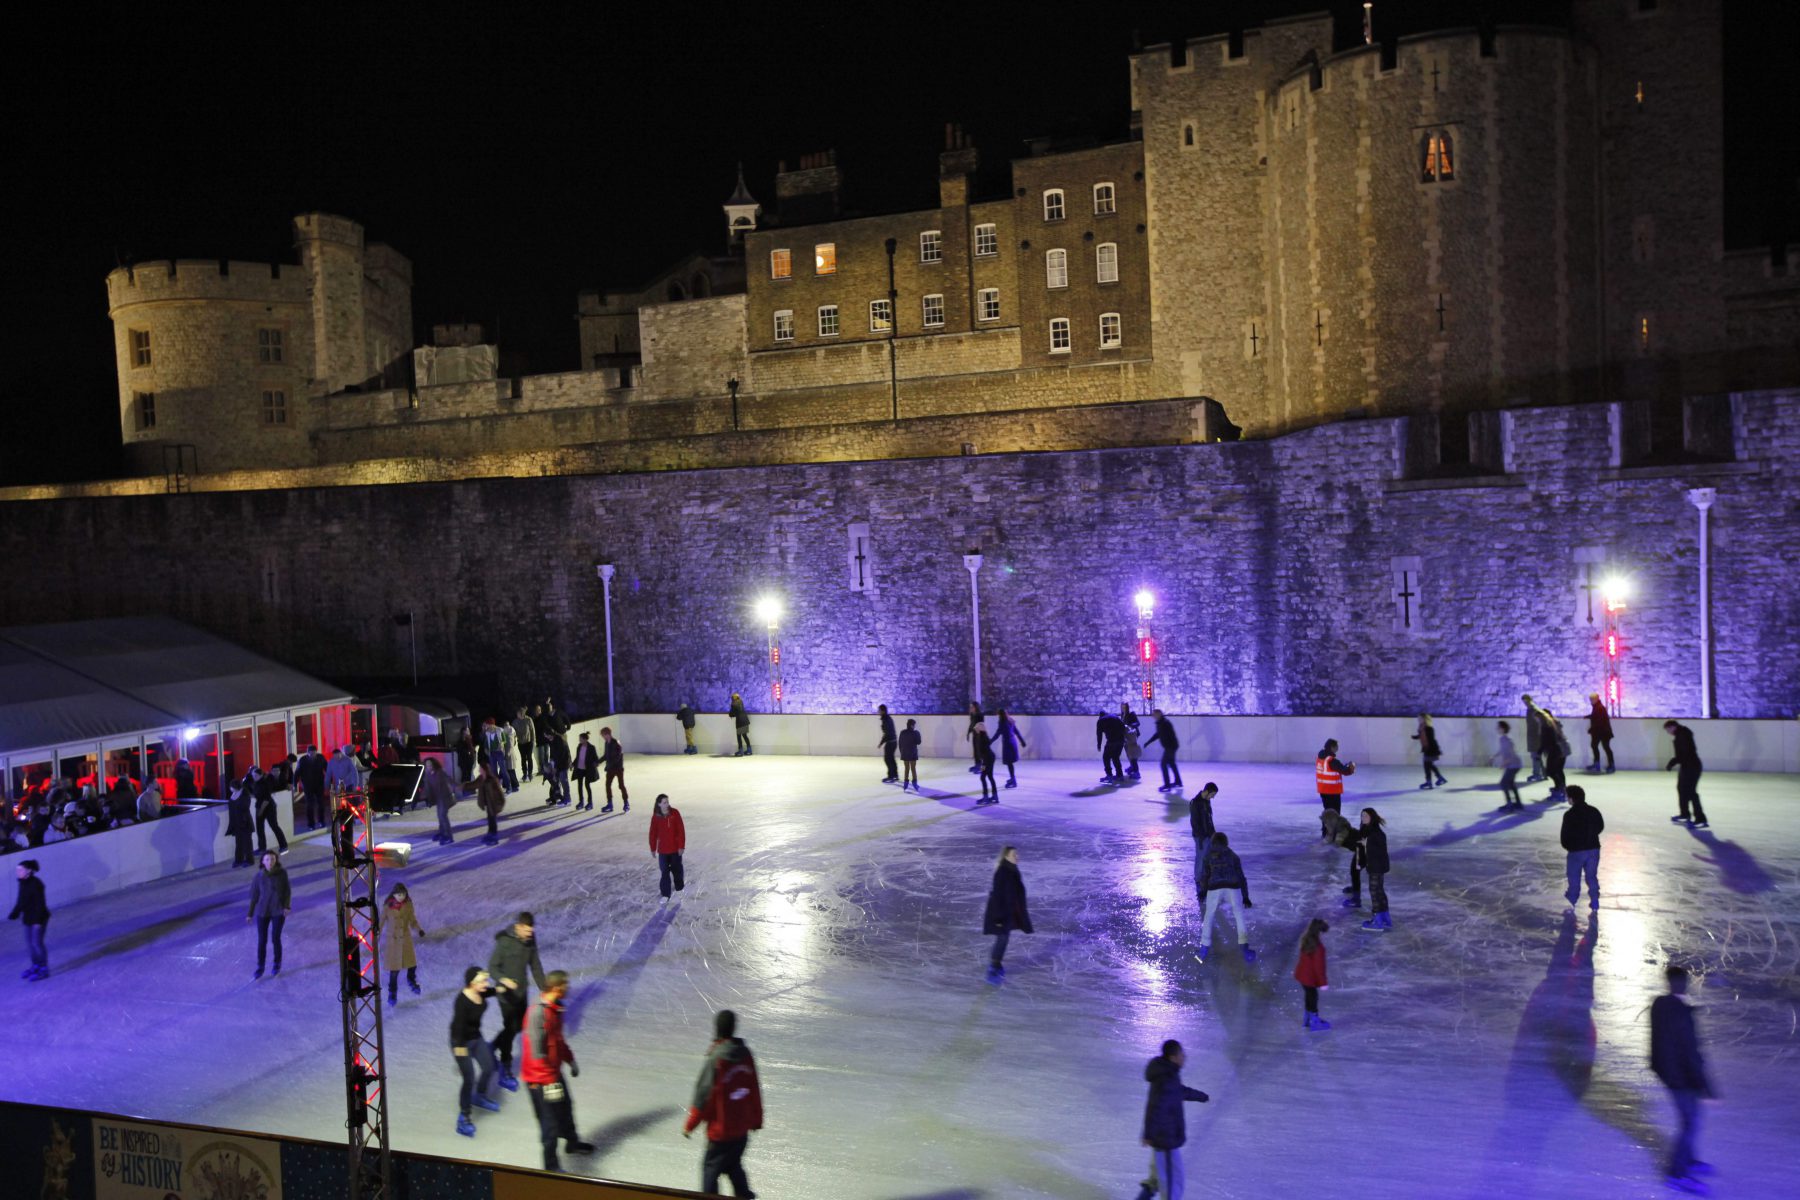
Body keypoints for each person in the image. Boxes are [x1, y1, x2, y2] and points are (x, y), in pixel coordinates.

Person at [682, 1009, 764, 1198]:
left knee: (710, 1170)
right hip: (741, 1130)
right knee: (732, 1164)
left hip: (720, 1133)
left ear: (717, 1029)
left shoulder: (716, 1059)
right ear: (734, 1028)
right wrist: (757, 1119)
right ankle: (744, 1194)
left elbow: (703, 1097)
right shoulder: (746, 1055)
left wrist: (690, 1125)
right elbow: (754, 1089)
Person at [1650, 965, 1716, 1192]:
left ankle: (1688, 1160)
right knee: (1689, 1123)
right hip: (1683, 1078)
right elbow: (1690, 1052)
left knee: (1690, 1119)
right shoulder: (1680, 1012)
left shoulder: (1660, 1004)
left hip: (1669, 1075)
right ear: (1684, 983)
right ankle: (1676, 1174)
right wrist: (1707, 1087)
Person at [521, 969, 594, 1172]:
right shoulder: (538, 1012)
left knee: (565, 1108)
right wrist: (548, 1079)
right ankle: (551, 1168)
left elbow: (558, 1041)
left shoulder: (555, 1008)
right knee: (549, 1124)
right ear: (556, 987)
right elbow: (535, 1052)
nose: (568, 988)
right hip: (540, 1080)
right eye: (565, 985)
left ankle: (572, 1142)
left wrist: (570, 1060)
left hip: (553, 1074)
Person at [1134, 1039, 1210, 1200]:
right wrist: (1149, 1134)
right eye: (1181, 1054)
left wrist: (1200, 1096)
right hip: (1165, 1139)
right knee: (1172, 1185)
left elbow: (1179, 1092)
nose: (1184, 1057)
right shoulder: (1166, 1079)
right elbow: (1155, 1108)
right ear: (1173, 1057)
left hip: (1162, 1138)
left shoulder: (1167, 1074)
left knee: (1155, 1180)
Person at [488, 912, 549, 1090]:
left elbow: (535, 964)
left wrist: (545, 989)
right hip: (506, 995)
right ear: (519, 927)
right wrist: (504, 979)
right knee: (510, 1028)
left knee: (519, 1027)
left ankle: (493, 1046)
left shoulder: (531, 939)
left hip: (521, 992)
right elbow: (492, 967)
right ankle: (505, 1067)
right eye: (527, 931)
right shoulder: (504, 942)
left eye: (532, 931)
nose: (530, 935)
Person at [451, 965, 502, 1137]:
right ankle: (463, 1117)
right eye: (482, 981)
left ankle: (479, 1096)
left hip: (476, 1038)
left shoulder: (480, 992)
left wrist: (499, 989)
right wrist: (459, 1047)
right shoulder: (462, 1001)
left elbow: (488, 992)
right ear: (472, 983)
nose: (486, 984)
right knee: (469, 1078)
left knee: (489, 1068)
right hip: (461, 1042)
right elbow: (458, 1025)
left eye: (486, 981)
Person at [1195, 831, 1254, 963]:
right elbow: (1241, 877)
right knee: (1239, 915)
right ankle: (1245, 949)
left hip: (1214, 887)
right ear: (1225, 842)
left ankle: (1203, 950)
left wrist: (1203, 892)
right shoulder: (1233, 856)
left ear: (1213, 842)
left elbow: (1204, 876)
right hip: (1233, 886)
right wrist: (1245, 897)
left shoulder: (1208, 856)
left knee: (1209, 916)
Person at [982, 845, 1032, 983]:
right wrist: (998, 917)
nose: (1017, 857)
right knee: (1002, 938)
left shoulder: (1011, 870)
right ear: (1006, 856)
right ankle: (994, 966)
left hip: (1008, 911)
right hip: (1001, 912)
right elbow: (998, 895)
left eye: (1017, 854)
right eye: (1014, 854)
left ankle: (996, 963)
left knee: (1003, 938)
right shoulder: (1003, 872)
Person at [247, 850, 291, 979]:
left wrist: (287, 906)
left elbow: (287, 891)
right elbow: (254, 896)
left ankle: (277, 964)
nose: (270, 862)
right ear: (262, 862)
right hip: (263, 911)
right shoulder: (258, 876)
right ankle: (260, 966)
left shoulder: (282, 874)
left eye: (272, 859)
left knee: (275, 938)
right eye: (267, 859)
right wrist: (250, 913)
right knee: (262, 940)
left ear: (276, 860)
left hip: (278, 911)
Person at [1560, 785, 1604, 912]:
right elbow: (1600, 826)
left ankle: (1571, 901)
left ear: (1572, 799)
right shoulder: (1594, 810)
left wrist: (1570, 847)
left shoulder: (1569, 814)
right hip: (1593, 849)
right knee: (1591, 876)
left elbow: (1565, 836)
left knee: (1574, 878)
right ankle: (1594, 900)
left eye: (1568, 797)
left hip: (1576, 852)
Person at [382, 882, 426, 1007]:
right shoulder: (387, 907)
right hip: (394, 941)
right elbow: (382, 920)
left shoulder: (408, 906)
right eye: (399, 894)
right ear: (394, 895)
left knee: (412, 965)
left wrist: (419, 930)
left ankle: (411, 980)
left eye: (403, 894)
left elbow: (412, 920)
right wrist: (376, 931)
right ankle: (392, 993)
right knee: (394, 971)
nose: (401, 897)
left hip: (405, 939)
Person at [10, 860, 50, 982]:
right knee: (30, 945)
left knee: (37, 943)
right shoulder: (22, 883)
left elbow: (40, 904)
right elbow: (21, 900)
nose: (18, 872)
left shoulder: (36, 884)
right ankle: (36, 965)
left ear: (29, 871)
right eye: (17, 870)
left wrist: (37, 923)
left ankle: (44, 968)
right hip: (28, 918)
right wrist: (15, 913)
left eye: (21, 870)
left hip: (39, 918)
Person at [1664, 721, 1708, 827]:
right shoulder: (1680, 734)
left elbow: (1684, 753)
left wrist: (1672, 762)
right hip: (1687, 766)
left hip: (1692, 766)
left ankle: (1701, 818)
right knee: (1682, 789)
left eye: (1668, 729)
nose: (1668, 732)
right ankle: (1685, 814)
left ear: (1673, 727)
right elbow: (1682, 754)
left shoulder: (1682, 735)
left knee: (1691, 792)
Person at [1294, 918, 1331, 1031]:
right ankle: (1314, 1020)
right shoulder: (1318, 948)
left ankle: (1307, 1018)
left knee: (1309, 996)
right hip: (1310, 979)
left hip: (1302, 977)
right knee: (1313, 997)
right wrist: (1323, 983)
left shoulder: (1306, 940)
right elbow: (1319, 968)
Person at [1358, 808, 1392, 931]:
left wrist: (1367, 844)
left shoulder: (1376, 832)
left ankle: (1377, 920)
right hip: (1375, 865)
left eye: (1366, 816)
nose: (1363, 818)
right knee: (1379, 891)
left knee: (1374, 892)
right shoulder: (1367, 830)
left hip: (1377, 866)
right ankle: (1385, 918)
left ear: (1372, 817)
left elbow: (1381, 850)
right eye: (1362, 816)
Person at [649, 794, 686, 904]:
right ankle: (665, 894)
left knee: (677, 870)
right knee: (664, 872)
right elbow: (653, 833)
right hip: (663, 851)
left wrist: (681, 846)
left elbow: (681, 830)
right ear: (659, 804)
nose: (667, 804)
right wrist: (652, 848)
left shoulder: (675, 813)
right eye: (664, 802)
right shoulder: (656, 816)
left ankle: (679, 888)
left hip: (675, 849)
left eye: (667, 802)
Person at [1315, 739, 1355, 836]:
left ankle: (1325, 831)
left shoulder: (1320, 758)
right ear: (1332, 747)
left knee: (1327, 811)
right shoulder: (1332, 760)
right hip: (1332, 791)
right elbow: (1345, 771)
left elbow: (1336, 768)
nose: (1338, 748)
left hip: (1323, 790)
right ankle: (1332, 833)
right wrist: (1351, 767)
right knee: (1334, 813)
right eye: (1337, 746)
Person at [252, 766, 288, 855]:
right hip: (260, 806)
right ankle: (262, 847)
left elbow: (266, 799)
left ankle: (283, 845)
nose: (254, 777)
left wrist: (261, 810)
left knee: (274, 826)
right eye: (253, 775)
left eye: (256, 775)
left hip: (268, 807)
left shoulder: (265, 783)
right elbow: (257, 795)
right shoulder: (256, 783)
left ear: (260, 775)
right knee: (260, 828)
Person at [1145, 709, 1183, 792]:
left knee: (1163, 764)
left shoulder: (1165, 723)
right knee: (1172, 764)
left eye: (1154, 714)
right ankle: (1178, 781)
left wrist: (1168, 745)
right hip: (1170, 746)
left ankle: (1167, 785)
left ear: (1159, 714)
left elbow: (1170, 735)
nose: (1153, 716)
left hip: (1170, 746)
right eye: (1153, 714)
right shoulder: (1160, 723)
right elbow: (1158, 734)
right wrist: (1148, 742)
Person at [423, 757, 457, 844]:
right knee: (440, 816)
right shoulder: (427, 774)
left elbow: (449, 779)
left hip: (445, 797)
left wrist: (458, 786)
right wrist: (429, 799)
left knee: (443, 816)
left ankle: (448, 836)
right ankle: (442, 833)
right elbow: (428, 788)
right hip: (438, 798)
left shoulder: (440, 772)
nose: (429, 766)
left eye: (430, 765)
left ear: (434, 764)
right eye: (427, 765)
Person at [226, 771, 256, 868]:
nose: (230, 789)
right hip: (236, 823)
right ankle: (238, 860)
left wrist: (242, 820)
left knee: (247, 842)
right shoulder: (233, 795)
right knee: (239, 843)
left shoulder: (244, 794)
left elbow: (245, 807)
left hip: (245, 822)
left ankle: (249, 860)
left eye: (231, 787)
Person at [1541, 707, 1570, 803]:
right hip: (1561, 749)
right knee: (1558, 770)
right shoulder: (1553, 723)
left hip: (1559, 750)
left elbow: (1551, 740)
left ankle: (1560, 789)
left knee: (1551, 771)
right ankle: (1562, 789)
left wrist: (1541, 750)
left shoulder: (1550, 725)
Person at [295, 743, 328, 830]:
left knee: (321, 804)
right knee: (309, 805)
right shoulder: (302, 760)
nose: (312, 754)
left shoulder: (321, 758)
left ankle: (321, 821)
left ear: (316, 752)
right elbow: (297, 773)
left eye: (314, 752)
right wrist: (294, 784)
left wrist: (329, 781)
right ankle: (311, 824)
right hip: (308, 785)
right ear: (307, 753)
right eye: (311, 753)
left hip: (319, 784)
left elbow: (327, 769)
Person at [1492, 720, 1524, 809]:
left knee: (1503, 783)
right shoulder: (1502, 739)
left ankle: (1509, 803)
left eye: (1498, 727)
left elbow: (1511, 755)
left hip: (1514, 765)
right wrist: (1494, 756)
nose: (1497, 729)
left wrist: (1504, 764)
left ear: (1503, 729)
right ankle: (1518, 803)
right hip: (1513, 765)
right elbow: (1502, 751)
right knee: (1510, 783)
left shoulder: (1507, 740)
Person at [1413, 713, 1448, 789]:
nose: (1419, 720)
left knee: (1427, 765)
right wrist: (1415, 737)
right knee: (1429, 765)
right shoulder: (1422, 728)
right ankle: (1439, 778)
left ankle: (1431, 781)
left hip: (1431, 749)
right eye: (1418, 719)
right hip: (1428, 749)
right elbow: (1422, 736)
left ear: (1425, 719)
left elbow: (1431, 739)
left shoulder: (1428, 728)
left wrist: (1434, 750)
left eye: (1420, 719)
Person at [475, 760, 505, 846]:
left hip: (493, 805)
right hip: (488, 805)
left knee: (492, 822)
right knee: (490, 821)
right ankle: (490, 835)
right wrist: (463, 786)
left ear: (484, 769)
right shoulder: (481, 778)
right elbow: (473, 784)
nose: (478, 770)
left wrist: (499, 806)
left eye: (480, 768)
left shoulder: (492, 780)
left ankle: (494, 838)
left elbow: (500, 794)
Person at [996, 708, 1027, 789]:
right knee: (1010, 763)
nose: (997, 716)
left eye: (998, 714)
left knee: (1009, 763)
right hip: (1012, 742)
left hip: (1007, 744)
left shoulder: (1002, 723)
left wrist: (990, 742)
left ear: (1000, 715)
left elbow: (997, 734)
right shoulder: (1010, 721)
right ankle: (1012, 778)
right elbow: (1017, 732)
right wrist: (1022, 741)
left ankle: (1013, 780)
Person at [600, 727, 628, 812]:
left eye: (603, 735)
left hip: (618, 769)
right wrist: (598, 762)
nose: (602, 737)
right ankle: (610, 804)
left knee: (621, 786)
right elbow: (606, 755)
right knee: (608, 785)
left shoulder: (616, 743)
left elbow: (618, 757)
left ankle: (626, 803)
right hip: (610, 769)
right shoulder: (606, 743)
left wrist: (609, 765)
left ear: (607, 734)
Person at [1586, 693, 1616, 772]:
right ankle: (1599, 764)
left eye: (1592, 699)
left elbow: (1599, 721)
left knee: (1604, 747)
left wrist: (1591, 728)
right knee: (1597, 746)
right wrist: (1589, 717)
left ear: (1596, 699)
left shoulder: (1599, 708)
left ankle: (1607, 765)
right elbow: (1596, 717)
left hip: (1602, 732)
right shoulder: (1598, 707)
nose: (1590, 701)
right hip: (1601, 732)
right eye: (1590, 699)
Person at [1523, 694, 1549, 783]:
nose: (1525, 703)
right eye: (1524, 702)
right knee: (1536, 756)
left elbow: (1540, 721)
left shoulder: (1534, 709)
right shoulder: (1530, 709)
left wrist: (1539, 734)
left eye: (1526, 701)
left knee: (1536, 755)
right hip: (1532, 735)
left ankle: (1537, 774)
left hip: (1535, 736)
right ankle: (1543, 773)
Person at [1096, 710, 1127, 783]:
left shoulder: (1100, 720)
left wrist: (1099, 745)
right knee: (1115, 757)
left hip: (1111, 741)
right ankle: (1120, 776)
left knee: (1106, 757)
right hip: (1120, 741)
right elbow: (1123, 727)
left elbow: (1099, 734)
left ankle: (1109, 776)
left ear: (1100, 716)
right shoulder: (1115, 717)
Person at [971, 725, 999, 805]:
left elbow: (982, 750)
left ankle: (986, 797)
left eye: (976, 729)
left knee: (983, 777)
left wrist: (981, 762)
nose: (975, 731)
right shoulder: (984, 735)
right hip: (989, 759)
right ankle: (994, 796)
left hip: (987, 760)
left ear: (979, 729)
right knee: (989, 777)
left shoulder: (981, 737)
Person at [571, 731, 599, 810]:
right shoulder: (579, 746)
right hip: (580, 769)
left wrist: (596, 763)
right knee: (579, 786)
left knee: (587, 785)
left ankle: (590, 803)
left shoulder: (591, 747)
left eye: (580, 739)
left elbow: (596, 758)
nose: (579, 740)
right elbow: (577, 757)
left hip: (588, 770)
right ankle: (581, 802)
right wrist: (573, 764)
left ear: (585, 739)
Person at [547, 730, 573, 808]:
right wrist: (552, 761)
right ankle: (558, 797)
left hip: (563, 765)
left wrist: (556, 766)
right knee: (556, 781)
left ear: (550, 734)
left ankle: (567, 799)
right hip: (559, 764)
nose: (546, 737)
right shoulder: (553, 741)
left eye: (547, 735)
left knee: (564, 781)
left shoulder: (559, 741)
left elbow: (561, 755)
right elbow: (553, 753)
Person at [874, 704, 899, 783]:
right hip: (893, 741)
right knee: (891, 758)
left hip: (890, 742)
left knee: (888, 759)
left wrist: (881, 743)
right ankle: (895, 775)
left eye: (879, 710)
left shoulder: (886, 720)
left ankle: (891, 776)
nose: (878, 712)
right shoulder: (887, 718)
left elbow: (887, 733)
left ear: (883, 711)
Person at [1188, 782, 1217, 849]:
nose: (1213, 797)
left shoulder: (1206, 801)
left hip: (1208, 836)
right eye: (1212, 794)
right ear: (1206, 792)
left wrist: (1213, 834)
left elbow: (1209, 819)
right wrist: (1202, 837)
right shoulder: (1195, 803)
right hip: (1201, 838)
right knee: (1201, 857)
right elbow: (1194, 823)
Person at [513, 706, 537, 782]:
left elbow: (532, 730)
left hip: (529, 742)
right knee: (523, 758)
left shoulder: (528, 719)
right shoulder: (515, 722)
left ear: (522, 713)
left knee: (529, 757)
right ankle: (525, 773)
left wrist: (533, 740)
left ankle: (530, 773)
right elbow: (513, 732)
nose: (517, 715)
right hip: (521, 743)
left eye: (518, 714)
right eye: (517, 714)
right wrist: (514, 740)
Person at [1120, 702, 1144, 781]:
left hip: (1132, 736)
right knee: (1129, 753)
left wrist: (1129, 726)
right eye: (1122, 707)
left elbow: (1138, 723)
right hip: (1126, 736)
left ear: (1127, 707)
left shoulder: (1131, 714)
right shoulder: (1122, 716)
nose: (1123, 708)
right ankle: (1132, 767)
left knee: (1132, 753)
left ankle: (1136, 771)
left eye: (1125, 707)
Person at [897, 719, 922, 791]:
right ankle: (914, 782)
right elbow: (919, 742)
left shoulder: (902, 732)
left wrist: (901, 752)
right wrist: (917, 733)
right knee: (913, 768)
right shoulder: (915, 733)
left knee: (907, 768)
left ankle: (906, 782)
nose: (915, 726)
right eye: (914, 725)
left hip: (905, 753)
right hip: (912, 753)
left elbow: (900, 743)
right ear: (912, 725)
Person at [964, 701, 985, 775]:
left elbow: (981, 725)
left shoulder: (980, 715)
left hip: (980, 735)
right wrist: (968, 733)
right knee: (976, 751)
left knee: (980, 752)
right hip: (974, 735)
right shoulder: (972, 715)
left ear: (976, 707)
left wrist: (980, 735)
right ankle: (977, 764)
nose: (970, 708)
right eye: (970, 707)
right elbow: (971, 724)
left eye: (972, 707)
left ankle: (982, 769)